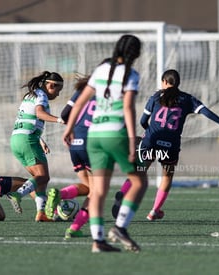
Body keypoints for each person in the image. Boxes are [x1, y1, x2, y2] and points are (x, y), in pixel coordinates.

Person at [62, 34, 148, 253]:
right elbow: (128, 108)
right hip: (114, 134)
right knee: (139, 182)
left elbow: (80, 101)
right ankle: (120, 226)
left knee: (98, 191)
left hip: (94, 136)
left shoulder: (100, 71)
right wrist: (131, 140)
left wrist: (69, 128)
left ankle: (98, 241)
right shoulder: (130, 74)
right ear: (135, 54)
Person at [139, 69, 219, 221]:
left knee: (138, 171)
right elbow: (207, 113)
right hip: (170, 145)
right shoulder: (187, 99)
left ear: (164, 82)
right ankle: (154, 211)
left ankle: (124, 196)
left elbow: (142, 122)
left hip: (151, 140)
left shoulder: (156, 96)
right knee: (167, 176)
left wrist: (148, 132)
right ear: (178, 83)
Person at [9, 71, 65, 222]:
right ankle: (18, 194)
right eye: (58, 90)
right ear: (51, 85)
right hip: (28, 140)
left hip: (17, 140)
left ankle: (41, 213)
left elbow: (28, 118)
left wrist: (40, 140)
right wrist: (60, 120)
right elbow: (39, 114)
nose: (58, 95)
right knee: (43, 176)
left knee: (40, 179)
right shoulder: (41, 96)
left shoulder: (30, 95)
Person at [44, 74, 93, 238]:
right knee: (96, 191)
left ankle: (60, 194)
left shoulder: (80, 92)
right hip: (93, 144)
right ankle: (76, 227)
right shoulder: (108, 94)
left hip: (74, 143)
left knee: (89, 187)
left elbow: (64, 114)